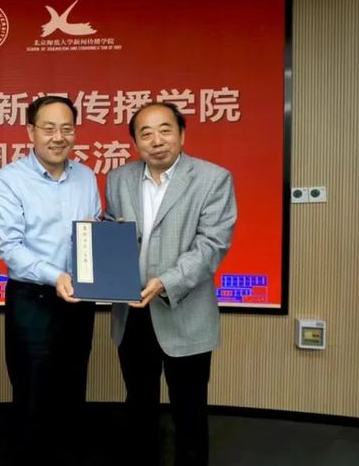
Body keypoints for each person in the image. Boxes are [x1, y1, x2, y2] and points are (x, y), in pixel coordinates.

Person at [104, 102, 237, 466]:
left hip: (184, 310)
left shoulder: (213, 178)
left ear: (182, 134)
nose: (156, 140)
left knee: (189, 411)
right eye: (145, 133)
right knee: (139, 406)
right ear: (135, 142)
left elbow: (212, 245)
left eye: (165, 130)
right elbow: (111, 231)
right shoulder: (119, 179)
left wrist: (166, 282)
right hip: (132, 312)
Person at [0, 95, 101, 465]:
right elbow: (10, 247)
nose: (58, 137)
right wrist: (56, 277)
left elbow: (93, 232)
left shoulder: (86, 177)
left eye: (66, 128)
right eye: (49, 128)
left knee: (73, 388)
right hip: (32, 300)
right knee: (33, 395)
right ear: (30, 132)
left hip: (79, 301)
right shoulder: (9, 180)